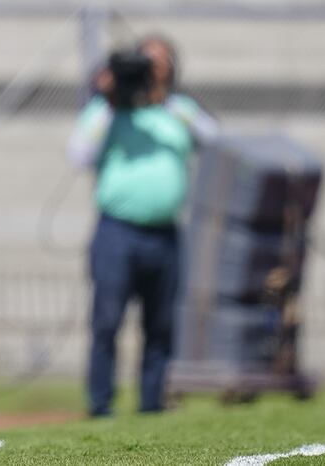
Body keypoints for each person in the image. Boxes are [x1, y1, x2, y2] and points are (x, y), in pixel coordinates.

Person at [68, 36, 218, 418]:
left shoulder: (178, 109)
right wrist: (111, 98)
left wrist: (163, 100)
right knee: (106, 321)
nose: (148, 68)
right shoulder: (109, 111)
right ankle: (100, 406)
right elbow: (79, 153)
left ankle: (152, 405)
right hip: (118, 232)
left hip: (165, 234)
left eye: (157, 62)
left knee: (161, 325)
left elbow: (213, 137)